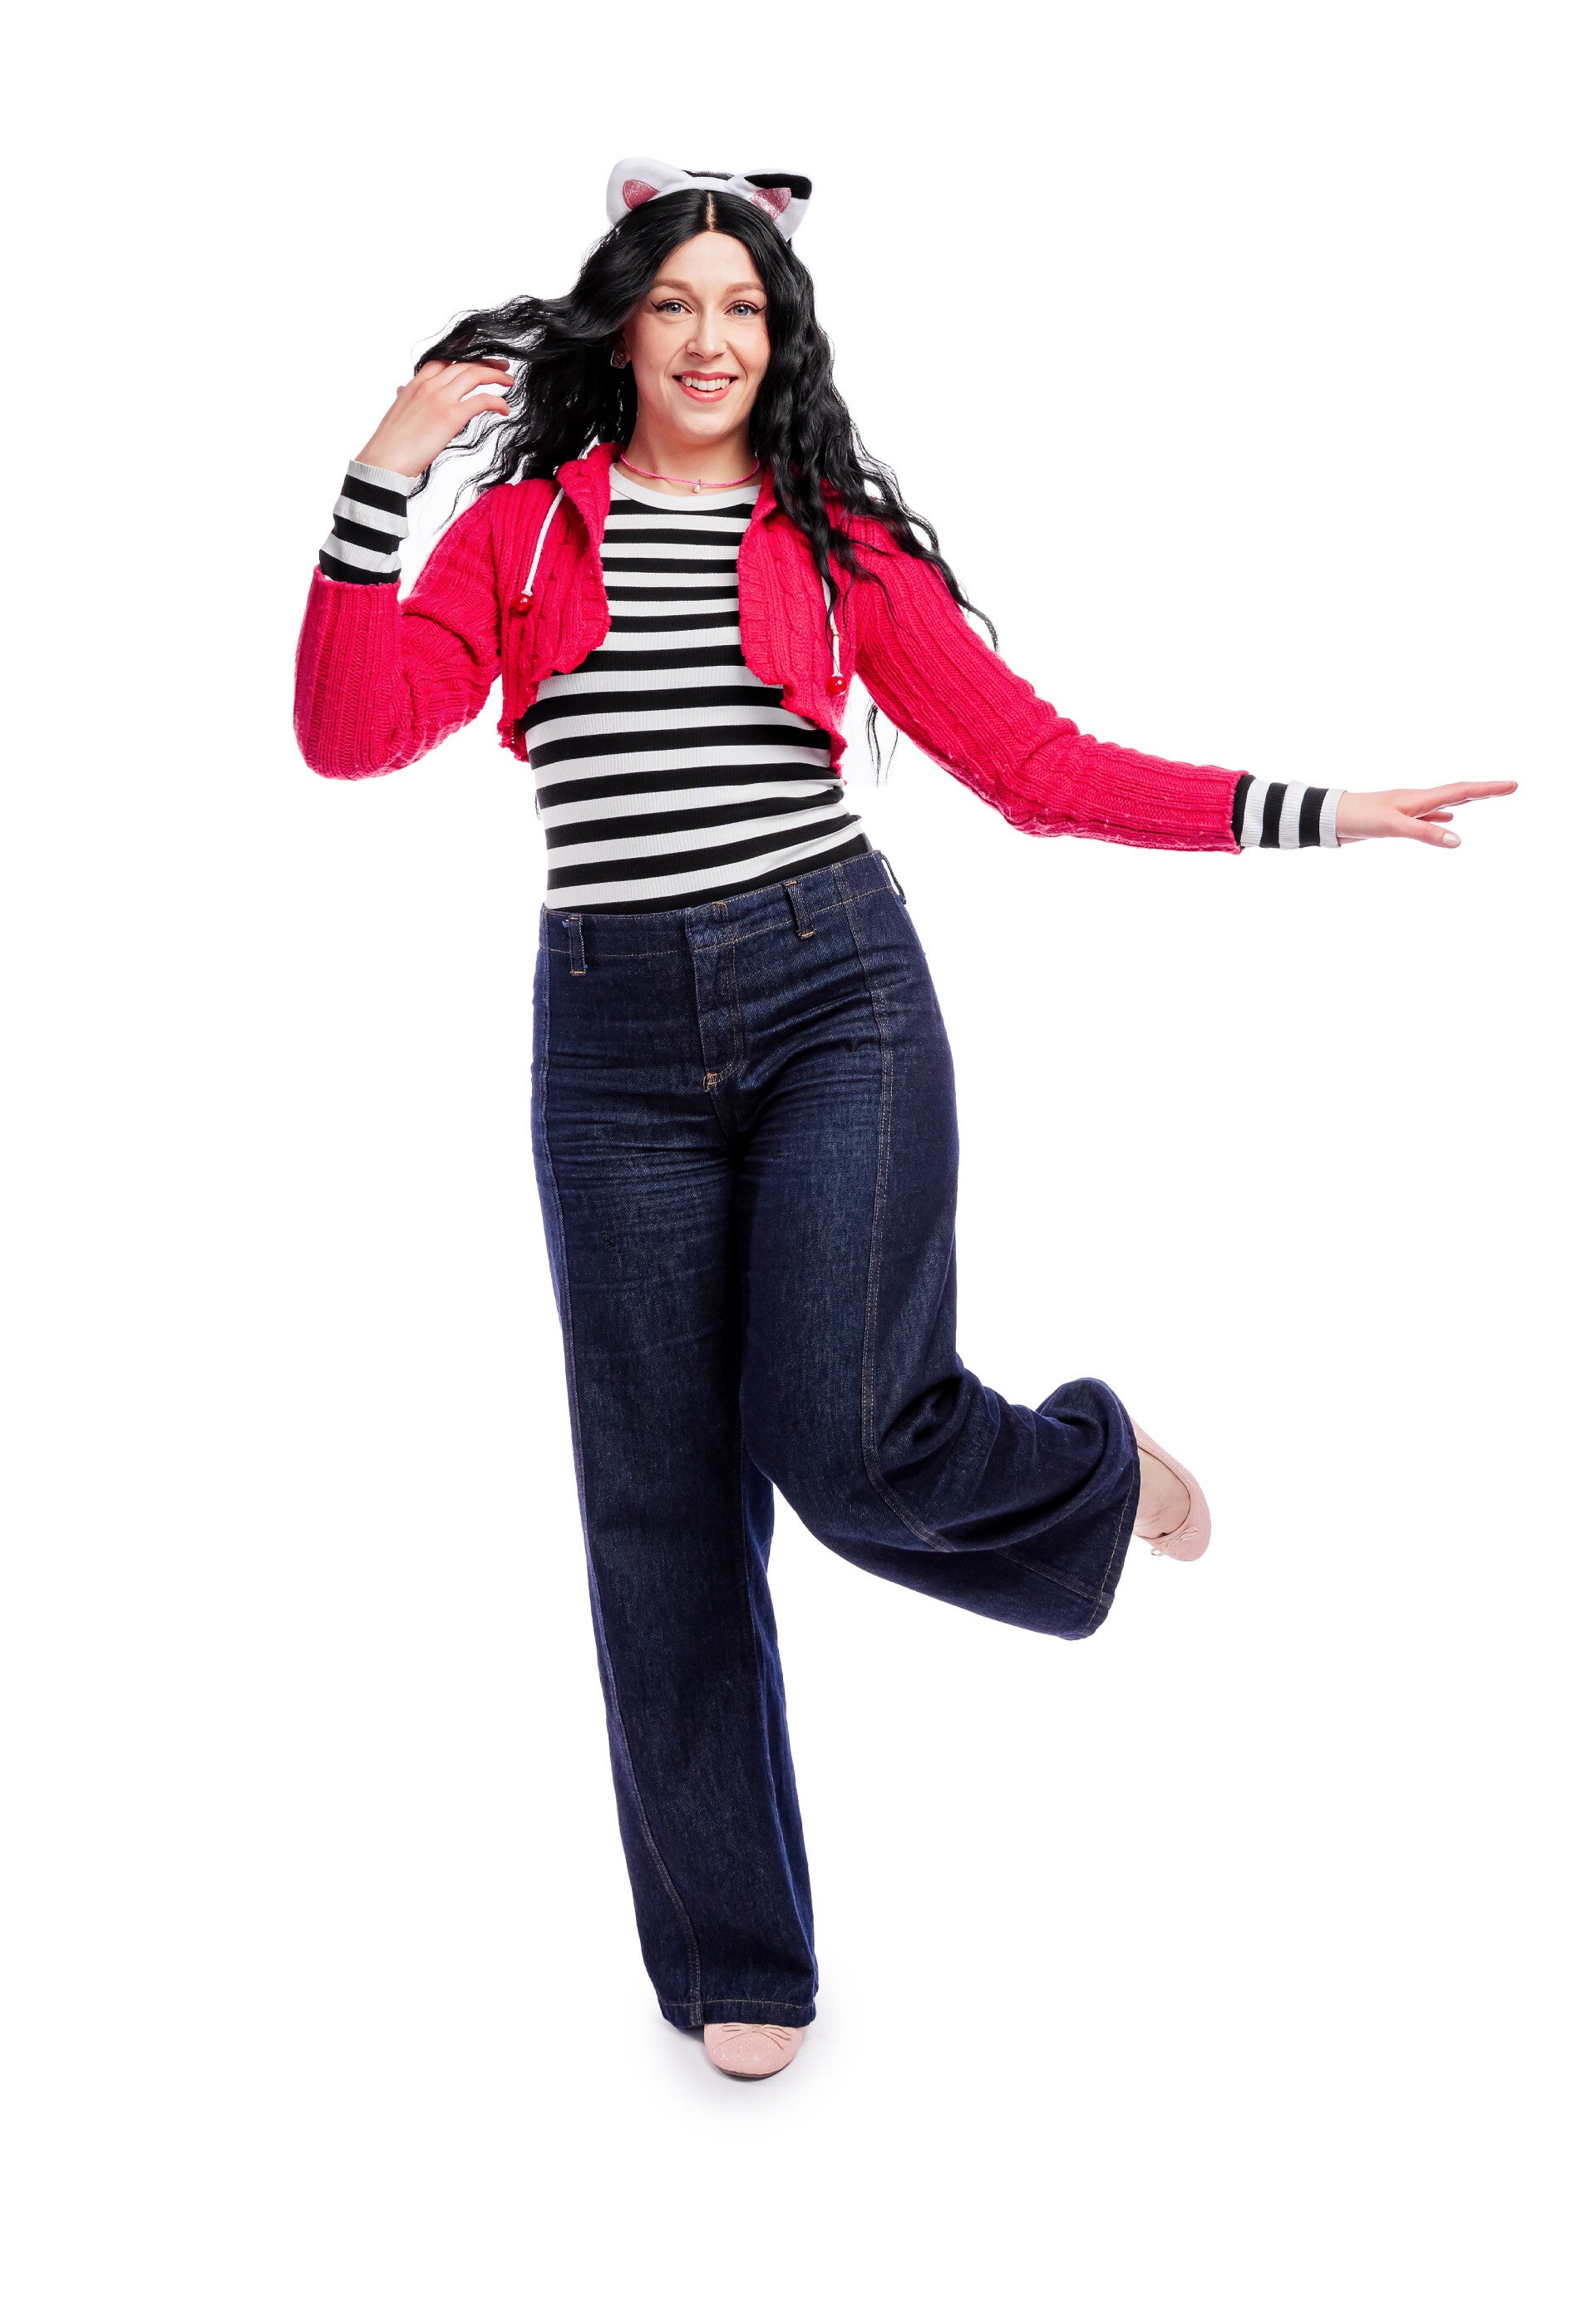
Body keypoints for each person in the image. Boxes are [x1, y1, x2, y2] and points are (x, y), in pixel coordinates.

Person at [293, 158, 1515, 2080]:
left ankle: (1099, 1473)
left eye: (744, 307)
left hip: (831, 999)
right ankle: (737, 1951)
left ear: (780, 336)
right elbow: (348, 727)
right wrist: (383, 471)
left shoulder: (836, 547)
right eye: (679, 302)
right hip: (607, 1044)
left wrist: (1322, 811)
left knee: (852, 1437)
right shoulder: (521, 537)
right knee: (657, 1511)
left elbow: (1039, 768)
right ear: (625, 324)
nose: (711, 339)